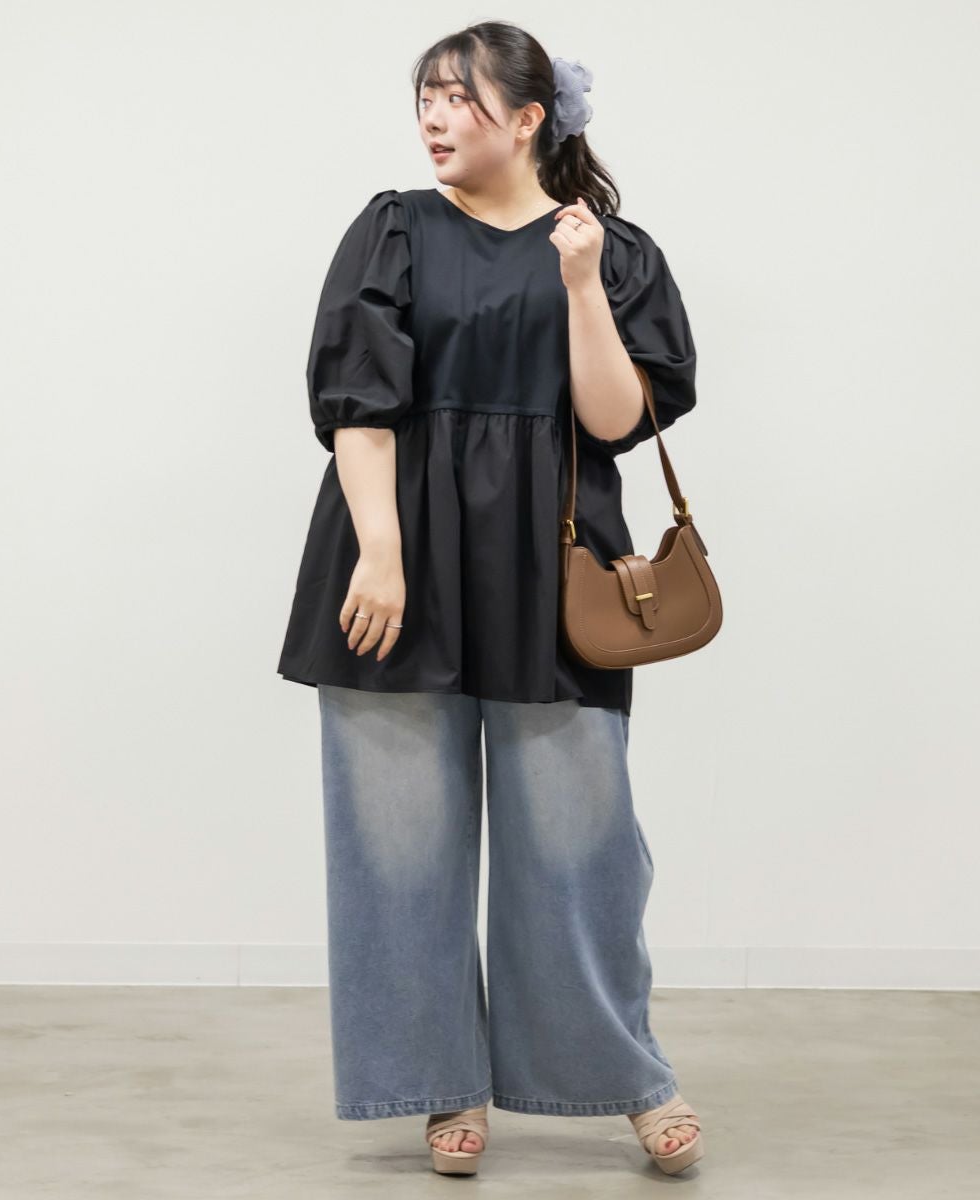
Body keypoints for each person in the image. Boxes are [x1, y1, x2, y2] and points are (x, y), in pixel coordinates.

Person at [277, 20, 705, 1178]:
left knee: (579, 847)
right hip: (395, 561)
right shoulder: (395, 229)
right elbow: (358, 409)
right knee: (398, 854)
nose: (432, 115)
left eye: (457, 96)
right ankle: (441, 1086)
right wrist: (380, 552)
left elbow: (615, 420)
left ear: (527, 117)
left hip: (551, 571)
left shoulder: (611, 251)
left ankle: (626, 1074)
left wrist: (579, 283)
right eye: (424, 93)